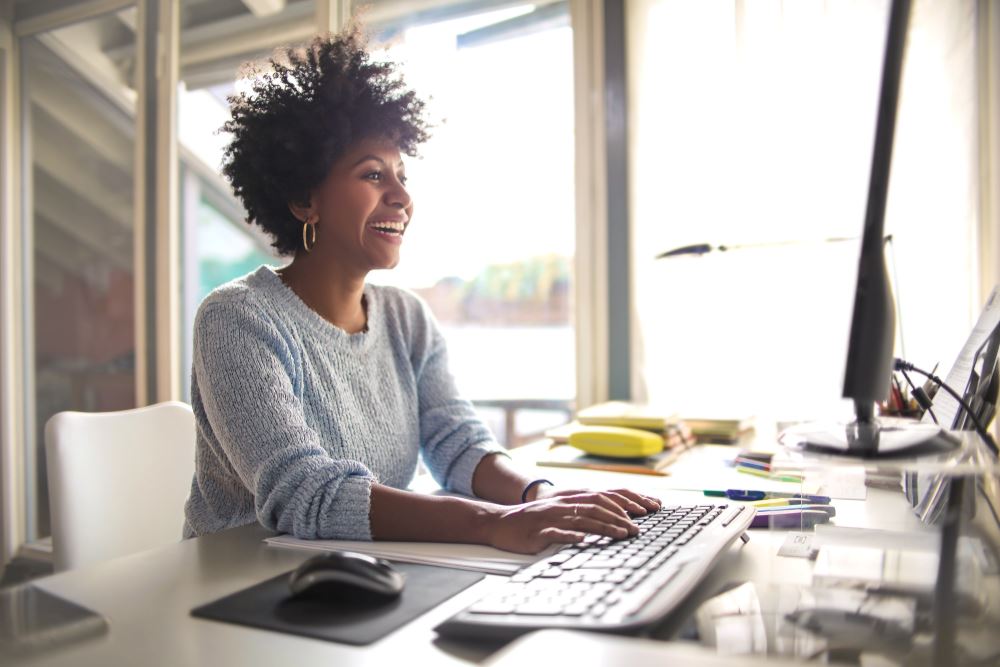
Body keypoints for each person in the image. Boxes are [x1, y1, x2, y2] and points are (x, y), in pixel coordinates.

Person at [183, 25, 660, 554]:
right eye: (372, 175)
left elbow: (458, 445)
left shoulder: (406, 318)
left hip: (364, 575)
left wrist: (544, 496)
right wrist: (489, 523)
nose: (402, 197)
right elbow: (302, 495)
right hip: (238, 588)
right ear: (303, 199)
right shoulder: (237, 319)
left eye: (401, 175)